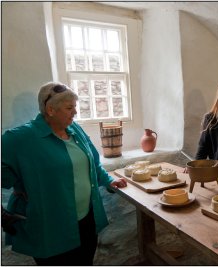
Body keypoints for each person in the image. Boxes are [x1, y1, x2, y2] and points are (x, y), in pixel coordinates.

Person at [1, 81, 127, 265]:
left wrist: (108, 180)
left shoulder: (74, 129)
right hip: (51, 227)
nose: (75, 112)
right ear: (50, 110)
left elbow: (91, 163)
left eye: (74, 106)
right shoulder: (21, 138)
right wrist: (18, 184)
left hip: (85, 221)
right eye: (69, 108)